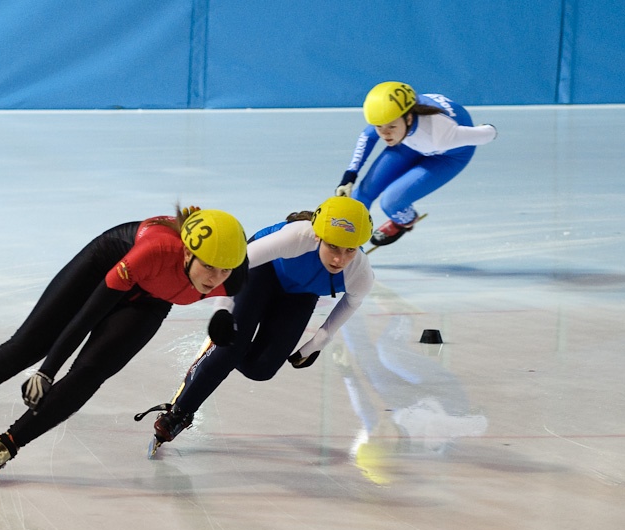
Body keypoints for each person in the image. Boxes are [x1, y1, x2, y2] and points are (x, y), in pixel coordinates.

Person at [0, 207, 249, 488]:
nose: (216, 278)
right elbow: (86, 315)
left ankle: (9, 443)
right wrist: (47, 369)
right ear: (186, 253)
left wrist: (223, 310)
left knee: (91, 372)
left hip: (152, 300)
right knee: (27, 347)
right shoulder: (153, 252)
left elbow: (233, 290)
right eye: (209, 269)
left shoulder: (232, 271)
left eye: (224, 272)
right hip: (105, 268)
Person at [140, 196, 374, 452]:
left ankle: (229, 349)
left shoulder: (360, 272)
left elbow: (351, 302)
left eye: (350, 250)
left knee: (261, 369)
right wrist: (223, 311)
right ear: (318, 236)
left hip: (299, 293)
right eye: (333, 247)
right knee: (229, 350)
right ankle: (179, 413)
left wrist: (318, 342)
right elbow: (235, 264)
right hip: (259, 271)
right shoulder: (296, 238)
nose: (339, 259)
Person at [334, 81, 497, 247]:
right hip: (407, 140)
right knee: (359, 196)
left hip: (447, 157)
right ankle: (348, 244)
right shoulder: (392, 115)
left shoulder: (441, 135)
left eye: (391, 126)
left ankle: (405, 221)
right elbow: (367, 137)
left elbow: (488, 134)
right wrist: (349, 176)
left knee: (391, 203)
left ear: (409, 118)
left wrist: (484, 128)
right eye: (379, 126)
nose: (385, 134)